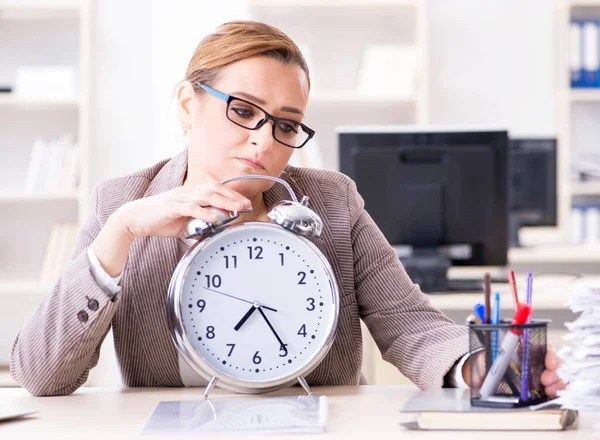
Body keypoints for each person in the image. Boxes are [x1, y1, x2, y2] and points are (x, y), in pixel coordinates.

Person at [10, 20, 565, 398]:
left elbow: (409, 324)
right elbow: (40, 375)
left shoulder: (331, 201)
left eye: (286, 123)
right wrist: (122, 234)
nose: (264, 141)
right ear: (187, 104)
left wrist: (478, 368)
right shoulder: (124, 204)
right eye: (244, 110)